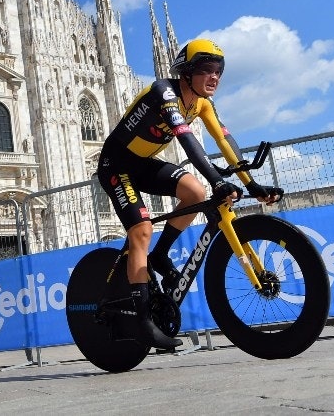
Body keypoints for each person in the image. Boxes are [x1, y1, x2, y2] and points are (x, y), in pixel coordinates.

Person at [97, 39, 283, 349]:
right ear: (186, 72)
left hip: (142, 163)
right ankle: (143, 321)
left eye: (219, 71)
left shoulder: (203, 104)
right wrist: (217, 180)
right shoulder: (163, 92)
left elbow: (224, 140)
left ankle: (160, 255)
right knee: (141, 230)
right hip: (115, 165)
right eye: (207, 70)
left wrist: (251, 185)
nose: (215, 77)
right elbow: (186, 140)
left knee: (195, 192)